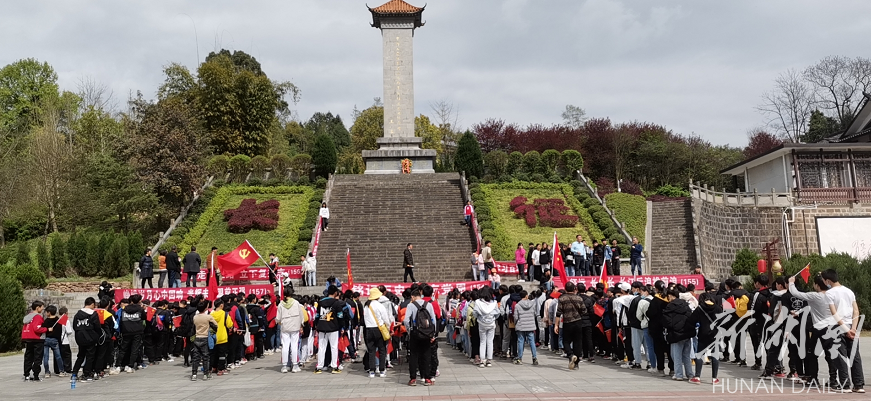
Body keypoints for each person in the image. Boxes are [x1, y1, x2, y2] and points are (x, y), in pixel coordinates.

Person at [822, 269, 864, 393]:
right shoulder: (849, 291)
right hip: (851, 325)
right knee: (855, 356)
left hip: (837, 327)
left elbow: (834, 313)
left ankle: (846, 385)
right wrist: (853, 329)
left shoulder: (829, 294)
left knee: (840, 356)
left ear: (828, 281)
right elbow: (856, 311)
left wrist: (845, 329)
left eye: (824, 281)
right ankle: (859, 384)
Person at [404, 288, 437, 386]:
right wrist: (432, 334)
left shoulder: (410, 305)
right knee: (426, 355)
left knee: (413, 355)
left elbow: (406, 320)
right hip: (426, 333)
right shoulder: (429, 304)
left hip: (415, 333)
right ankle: (427, 378)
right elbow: (433, 320)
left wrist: (409, 331)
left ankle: (413, 379)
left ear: (413, 297)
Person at [690, 289, 722, 385]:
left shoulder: (699, 309)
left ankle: (697, 376)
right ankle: (714, 378)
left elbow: (691, 320)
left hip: (703, 334)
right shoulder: (717, 308)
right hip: (715, 334)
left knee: (699, 355)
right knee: (715, 355)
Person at [663, 288, 694, 381]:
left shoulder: (670, 307)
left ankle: (679, 374)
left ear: (670, 296)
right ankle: (690, 374)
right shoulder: (685, 304)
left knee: (676, 355)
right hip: (687, 333)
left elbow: (666, 321)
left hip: (676, 334)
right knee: (686, 356)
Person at [556, 282, 588, 370]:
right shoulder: (579, 298)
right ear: (574, 289)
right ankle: (576, 363)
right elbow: (584, 311)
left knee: (566, 341)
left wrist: (556, 325)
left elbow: (558, 313)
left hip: (567, 322)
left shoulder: (562, 298)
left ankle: (570, 354)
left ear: (565, 289)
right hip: (578, 322)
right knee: (577, 342)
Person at [315, 285, 347, 374]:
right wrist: (342, 327)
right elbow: (340, 316)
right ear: (336, 293)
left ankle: (319, 367)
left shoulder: (320, 302)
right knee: (333, 347)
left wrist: (316, 325)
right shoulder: (336, 303)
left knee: (321, 347)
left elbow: (317, 315)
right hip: (333, 327)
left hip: (321, 327)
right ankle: (334, 366)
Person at [276, 287, 308, 373]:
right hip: (295, 326)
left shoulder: (281, 304)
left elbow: (278, 318)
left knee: (285, 346)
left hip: (285, 327)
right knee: (294, 346)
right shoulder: (296, 303)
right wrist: (301, 325)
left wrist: (281, 323)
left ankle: (284, 366)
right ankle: (295, 365)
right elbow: (301, 316)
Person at [363, 288, 391, 378]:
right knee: (382, 350)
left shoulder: (366, 306)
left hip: (369, 329)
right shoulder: (379, 306)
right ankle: (382, 370)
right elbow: (385, 318)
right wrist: (388, 327)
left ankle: (372, 371)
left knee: (371, 351)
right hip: (379, 329)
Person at [115, 294, 146, 373]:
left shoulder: (124, 309)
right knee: (134, 349)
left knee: (123, 349)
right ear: (139, 301)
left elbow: (121, 320)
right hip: (137, 331)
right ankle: (130, 366)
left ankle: (118, 365)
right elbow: (144, 318)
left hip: (126, 331)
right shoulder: (140, 309)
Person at [71, 298, 100, 381]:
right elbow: (97, 327)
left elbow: (74, 326)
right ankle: (86, 374)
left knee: (80, 356)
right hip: (90, 337)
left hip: (80, 338)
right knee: (90, 356)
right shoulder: (93, 314)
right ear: (92, 304)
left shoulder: (78, 314)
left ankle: (74, 373)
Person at [473, 286, 501, 368]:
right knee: (490, 342)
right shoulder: (494, 303)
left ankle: (482, 360)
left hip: (481, 323)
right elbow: (497, 313)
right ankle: (489, 360)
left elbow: (475, 313)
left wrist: (479, 318)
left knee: (482, 342)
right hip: (491, 324)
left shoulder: (478, 302)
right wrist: (492, 319)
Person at [190, 302, 217, 381]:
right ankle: (206, 374)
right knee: (206, 357)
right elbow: (216, 325)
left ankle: (194, 374)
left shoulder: (195, 317)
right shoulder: (208, 317)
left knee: (196, 357)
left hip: (197, 338)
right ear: (205, 308)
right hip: (205, 337)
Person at [22, 300, 47, 381]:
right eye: (42, 308)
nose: (42, 310)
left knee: (28, 357)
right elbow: (37, 328)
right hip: (37, 339)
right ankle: (36, 375)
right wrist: (46, 329)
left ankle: (26, 374)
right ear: (37, 308)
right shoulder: (38, 317)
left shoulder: (28, 316)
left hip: (28, 338)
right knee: (37, 358)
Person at [513, 290, 539, 365]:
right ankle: (534, 358)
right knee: (532, 342)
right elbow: (535, 314)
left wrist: (516, 324)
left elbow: (516, 317)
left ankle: (520, 358)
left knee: (521, 341)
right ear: (526, 296)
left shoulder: (517, 305)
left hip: (521, 325)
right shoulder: (533, 304)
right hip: (530, 325)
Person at [41, 305, 64, 378]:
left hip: (46, 340)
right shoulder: (58, 320)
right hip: (55, 340)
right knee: (58, 356)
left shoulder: (46, 321)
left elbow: (43, 330)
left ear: (49, 313)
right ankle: (61, 371)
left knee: (46, 357)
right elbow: (60, 332)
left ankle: (47, 372)